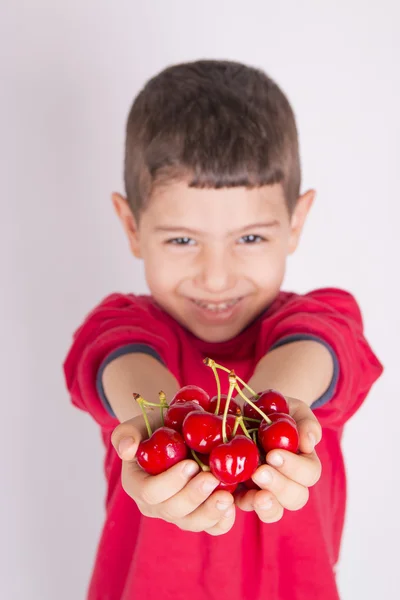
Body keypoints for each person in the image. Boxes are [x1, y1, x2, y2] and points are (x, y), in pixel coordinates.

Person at [63, 60, 383, 600]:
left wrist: (268, 402)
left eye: (251, 239)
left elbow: (319, 350)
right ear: (132, 227)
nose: (215, 277)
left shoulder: (320, 319)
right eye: (183, 241)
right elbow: (118, 364)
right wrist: (158, 424)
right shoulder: (123, 324)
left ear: (296, 223)